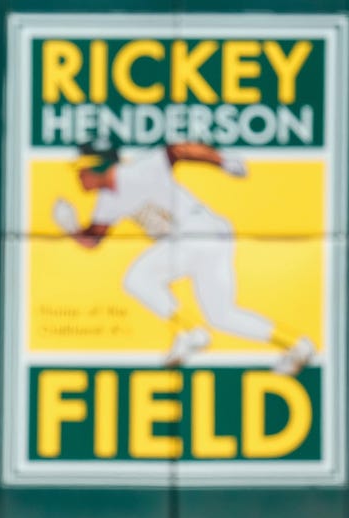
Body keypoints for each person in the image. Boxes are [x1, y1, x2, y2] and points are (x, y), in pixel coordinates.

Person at [51, 139, 314, 376]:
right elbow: (94, 240)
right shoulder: (107, 200)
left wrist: (222, 160)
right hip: (211, 236)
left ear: (98, 166)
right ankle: (297, 344)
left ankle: (191, 332)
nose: (79, 175)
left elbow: (179, 150)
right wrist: (71, 229)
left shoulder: (137, 170)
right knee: (221, 316)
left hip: (198, 231)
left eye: (83, 168)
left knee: (137, 278)